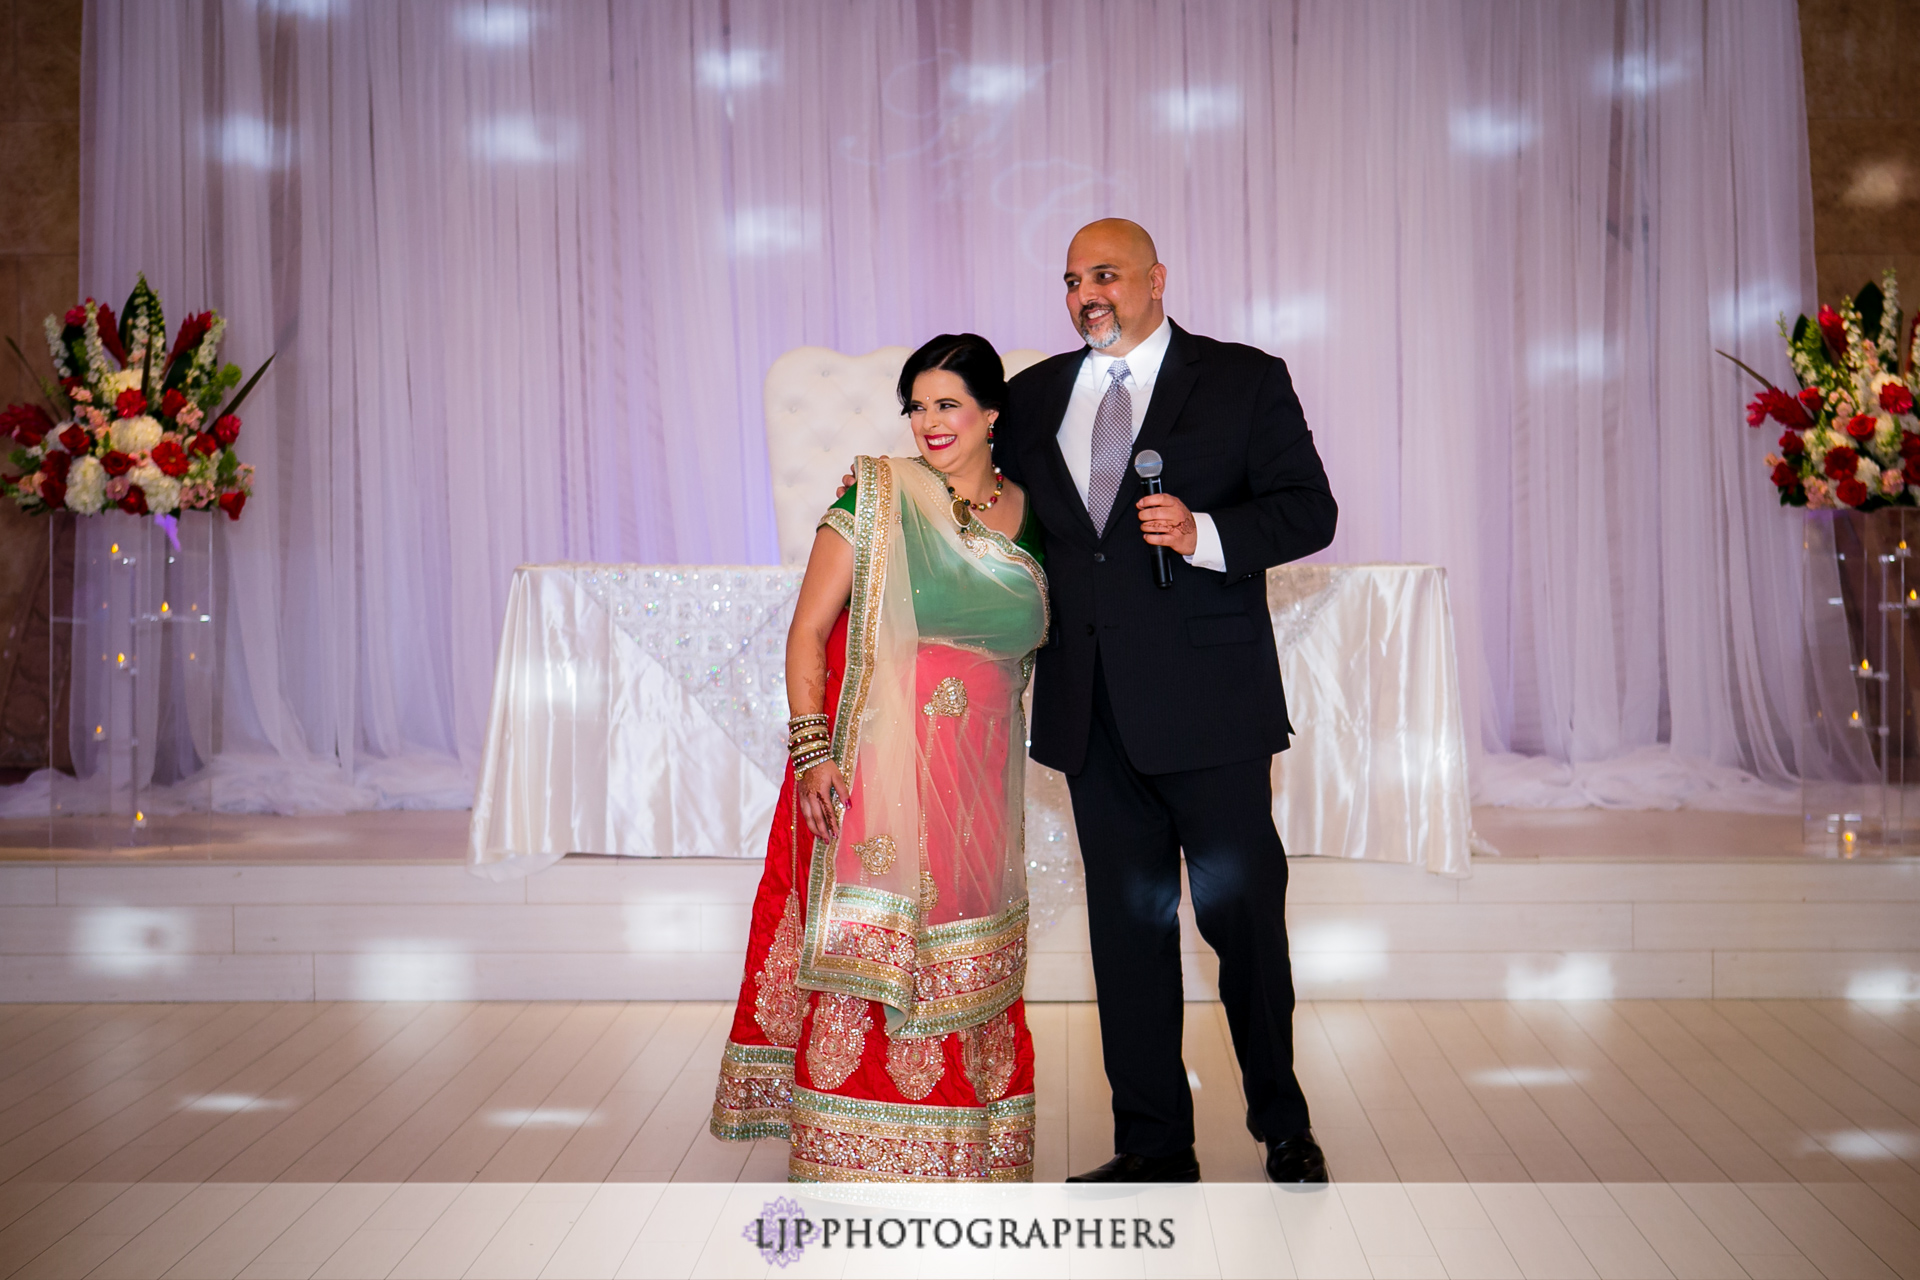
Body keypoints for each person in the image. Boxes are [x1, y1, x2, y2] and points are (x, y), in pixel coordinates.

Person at [998, 218, 1338, 1183]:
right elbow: (998, 508)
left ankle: (1283, 1125)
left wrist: (1206, 532)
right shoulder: (1033, 398)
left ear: (1156, 279)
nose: (1085, 295)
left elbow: (1309, 508)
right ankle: (1152, 1148)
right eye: (1071, 280)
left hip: (1214, 712)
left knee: (1245, 930)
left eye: (1104, 275)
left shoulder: (1242, 378)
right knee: (1130, 939)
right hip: (1093, 715)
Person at [710, 333, 1050, 1182]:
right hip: (873, 774)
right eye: (918, 406)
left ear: (991, 413)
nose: (930, 423)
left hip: (979, 781)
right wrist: (813, 751)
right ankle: (851, 1147)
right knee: (876, 945)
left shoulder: (1036, 514)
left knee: (963, 948)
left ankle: (962, 1144)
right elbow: (808, 633)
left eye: (949, 405)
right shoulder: (877, 497)